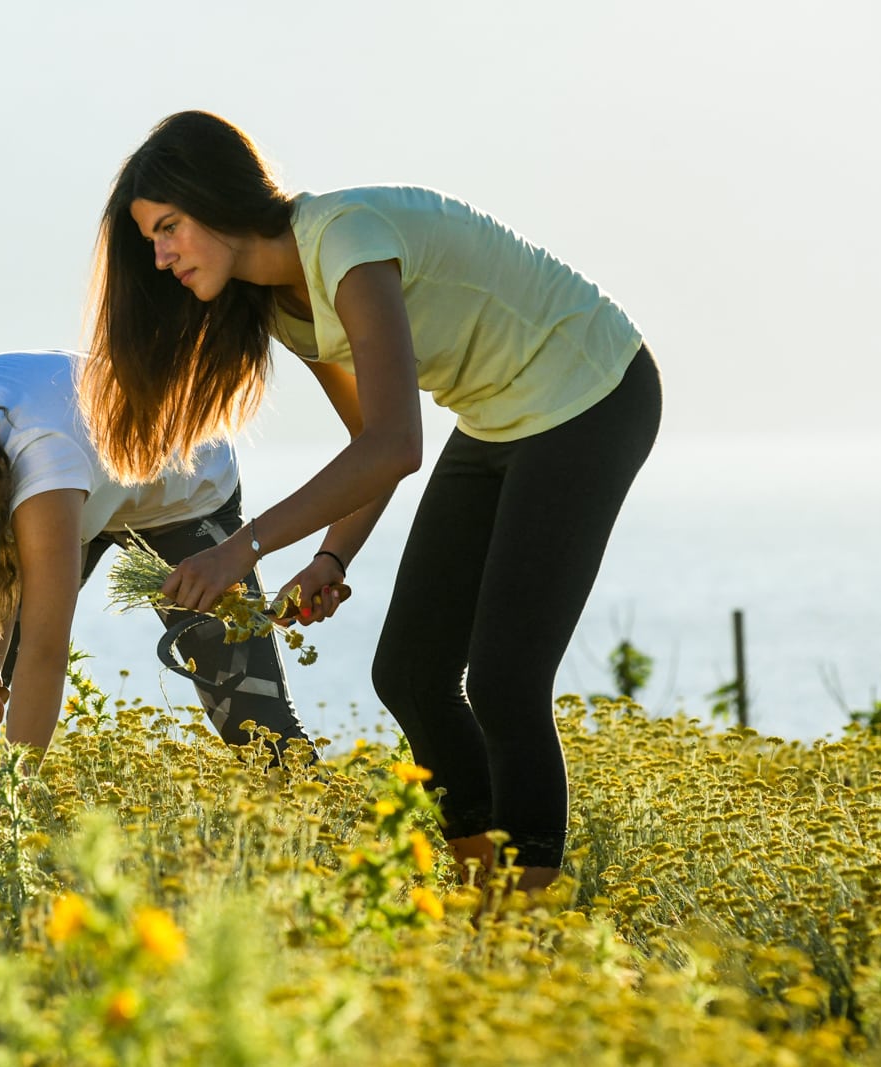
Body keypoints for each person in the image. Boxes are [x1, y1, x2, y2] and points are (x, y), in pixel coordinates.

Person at [80, 111, 662, 890]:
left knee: (503, 681)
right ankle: (480, 890)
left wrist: (240, 548)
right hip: (497, 417)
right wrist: (330, 556)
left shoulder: (344, 240)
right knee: (410, 674)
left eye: (170, 227)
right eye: (152, 239)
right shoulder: (287, 307)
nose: (161, 256)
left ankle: (531, 916)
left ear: (217, 196)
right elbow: (371, 442)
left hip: (593, 390)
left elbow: (395, 445)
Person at [0, 337, 308, 817]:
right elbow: (0, 565)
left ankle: (336, 847)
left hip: (181, 488)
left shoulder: (40, 454)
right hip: (77, 477)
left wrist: (16, 804)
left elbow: (44, 654)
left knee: (251, 718)